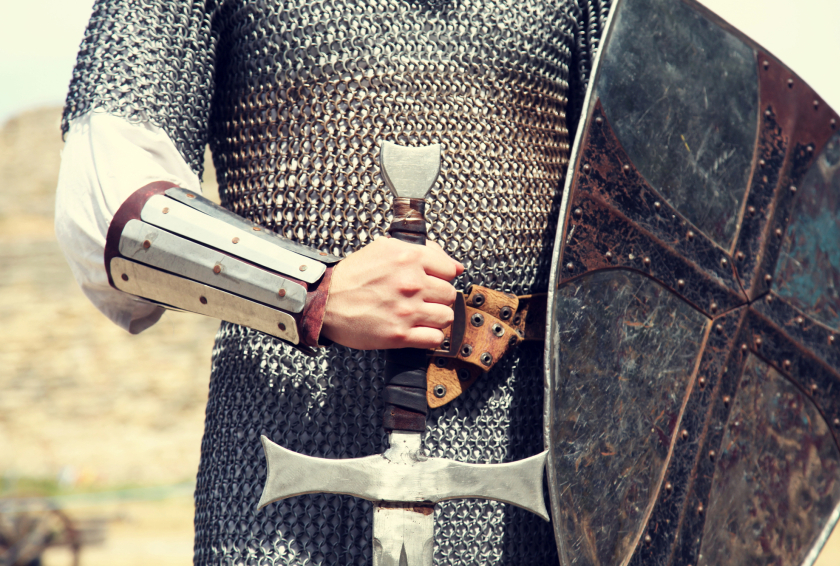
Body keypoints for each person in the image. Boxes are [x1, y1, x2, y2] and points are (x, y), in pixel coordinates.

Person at [55, 0, 610, 563]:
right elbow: (108, 213)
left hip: (523, 467)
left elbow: (642, 214)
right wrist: (314, 291)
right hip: (282, 474)